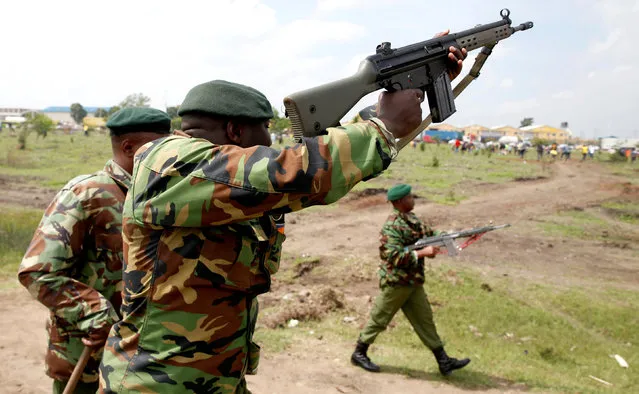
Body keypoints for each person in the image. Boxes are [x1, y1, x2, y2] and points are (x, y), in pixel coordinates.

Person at [97, 43, 465, 394]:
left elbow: (317, 170)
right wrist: (382, 127)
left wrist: (415, 77)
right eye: (266, 134)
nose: (274, 145)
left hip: (213, 379)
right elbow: (290, 171)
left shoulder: (220, 184)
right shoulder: (170, 161)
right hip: (156, 384)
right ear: (235, 132)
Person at [17, 108, 172, 394]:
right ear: (129, 147)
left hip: (145, 364)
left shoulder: (161, 197)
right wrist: (98, 315)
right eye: (160, 148)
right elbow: (38, 272)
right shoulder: (87, 194)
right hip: (90, 362)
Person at [351, 184, 470, 376]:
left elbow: (430, 234)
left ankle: (444, 361)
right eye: (408, 197)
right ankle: (359, 353)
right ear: (399, 202)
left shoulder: (413, 220)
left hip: (413, 282)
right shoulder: (392, 226)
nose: (412, 198)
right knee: (379, 319)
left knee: (425, 320)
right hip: (396, 282)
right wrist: (422, 253)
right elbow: (392, 256)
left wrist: (455, 235)